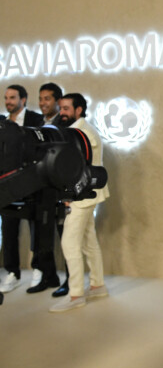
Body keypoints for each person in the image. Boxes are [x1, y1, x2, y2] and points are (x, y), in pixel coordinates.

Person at [49, 93, 109, 313]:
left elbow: (73, 169)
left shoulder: (80, 132)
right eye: (61, 108)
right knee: (88, 240)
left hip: (82, 196)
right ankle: (98, 285)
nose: (61, 112)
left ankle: (75, 294)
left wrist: (66, 196)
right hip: (88, 194)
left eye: (66, 108)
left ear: (79, 110)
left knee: (69, 243)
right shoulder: (80, 129)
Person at [0, 84, 49, 294]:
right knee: (9, 229)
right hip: (7, 185)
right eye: (6, 98)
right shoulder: (1, 124)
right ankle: (13, 272)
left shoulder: (37, 121)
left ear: (23, 99)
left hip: (31, 183)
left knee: (35, 227)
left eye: (12, 97)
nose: (8, 101)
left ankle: (38, 268)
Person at [37, 82, 70, 297]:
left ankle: (70, 280)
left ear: (57, 102)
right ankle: (48, 276)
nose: (42, 103)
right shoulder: (38, 124)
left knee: (65, 238)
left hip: (59, 190)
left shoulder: (64, 126)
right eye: (40, 99)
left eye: (47, 99)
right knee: (43, 234)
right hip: (41, 188)